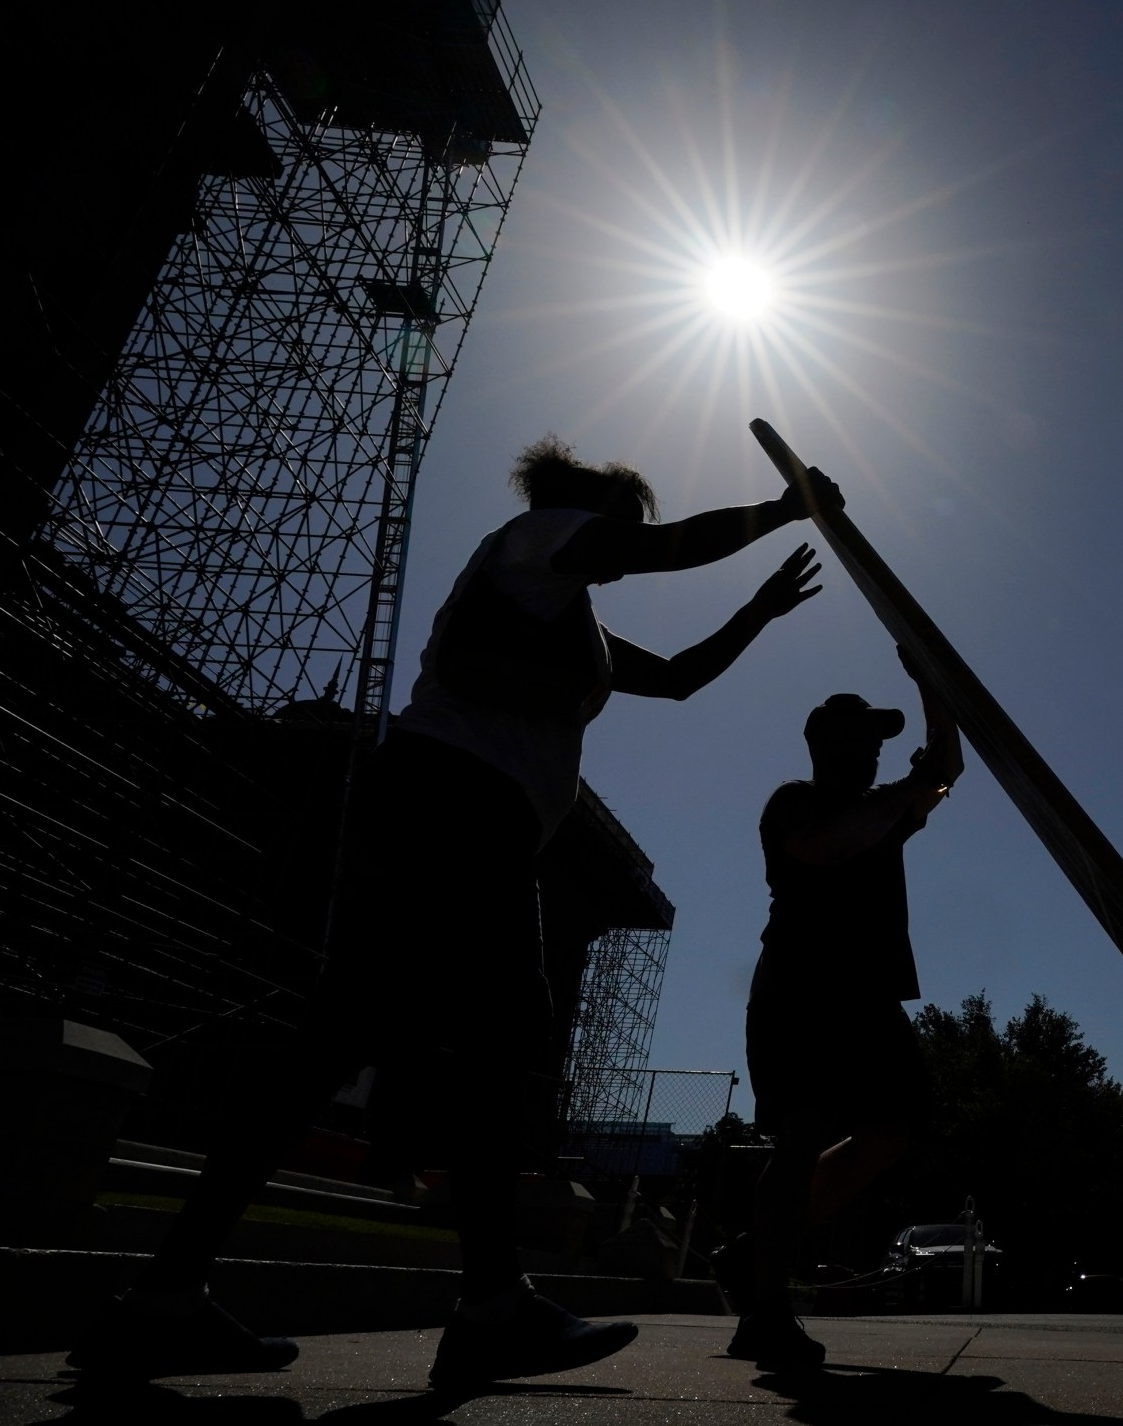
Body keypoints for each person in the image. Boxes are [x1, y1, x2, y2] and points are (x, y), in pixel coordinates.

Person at [69, 435, 843, 1385]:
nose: (622, 550)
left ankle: (165, 1297)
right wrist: (781, 509)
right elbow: (668, 546)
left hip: (443, 812)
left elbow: (678, 678)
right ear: (587, 507)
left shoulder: (572, 620)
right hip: (459, 810)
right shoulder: (536, 538)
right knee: (503, 1035)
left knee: (348, 1040)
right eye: (620, 530)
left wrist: (759, 610)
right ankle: (489, 1308)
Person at [730, 648, 963, 1369]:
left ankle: (749, 1256)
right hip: (801, 988)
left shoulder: (883, 810)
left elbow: (943, 773)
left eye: (879, 742)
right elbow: (828, 846)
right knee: (799, 1135)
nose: (876, 752)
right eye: (865, 739)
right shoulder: (795, 801)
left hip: (867, 996)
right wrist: (914, 786)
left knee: (892, 1131)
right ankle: (764, 1314)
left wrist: (934, 689)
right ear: (831, 743)